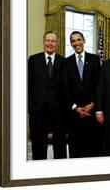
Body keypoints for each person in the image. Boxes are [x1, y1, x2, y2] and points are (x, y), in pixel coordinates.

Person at [28, 30, 67, 160]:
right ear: (44, 42)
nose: (50, 43)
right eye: (48, 40)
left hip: (59, 113)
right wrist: (31, 108)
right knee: (38, 149)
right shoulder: (33, 60)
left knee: (60, 149)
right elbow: (28, 86)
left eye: (53, 41)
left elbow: (66, 88)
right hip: (38, 112)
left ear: (57, 44)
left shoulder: (64, 62)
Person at [62, 31, 101, 158]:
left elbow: (99, 85)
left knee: (92, 150)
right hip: (74, 115)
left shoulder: (95, 59)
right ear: (71, 44)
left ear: (84, 41)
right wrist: (75, 107)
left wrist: (92, 104)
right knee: (75, 151)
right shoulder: (66, 62)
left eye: (79, 40)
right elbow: (65, 88)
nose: (76, 43)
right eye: (73, 41)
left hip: (91, 113)